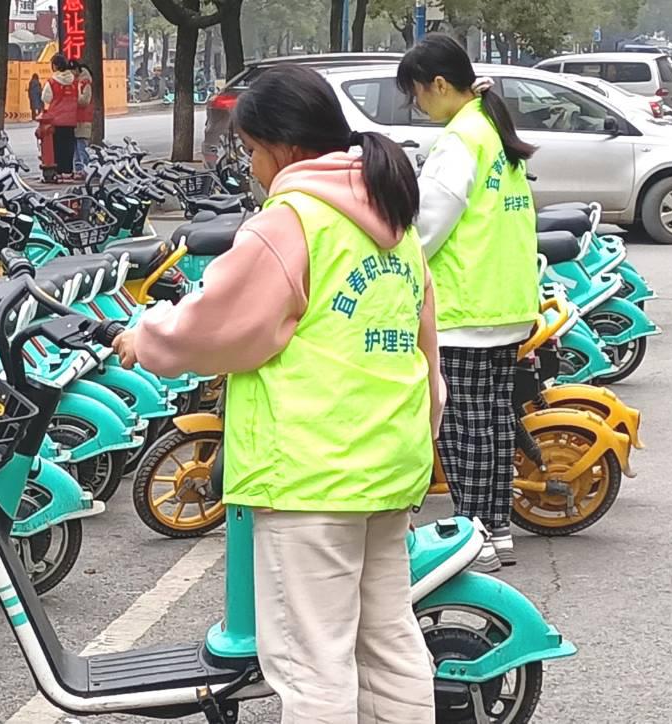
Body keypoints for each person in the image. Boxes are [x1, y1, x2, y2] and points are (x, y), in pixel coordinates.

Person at [112, 65, 440, 724]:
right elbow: (425, 348)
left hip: (311, 476)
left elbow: (219, 325)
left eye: (253, 152)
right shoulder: (390, 217)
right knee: (389, 642)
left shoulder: (292, 221)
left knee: (312, 664)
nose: (254, 169)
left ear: (285, 148)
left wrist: (142, 338)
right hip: (389, 463)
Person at [397, 34, 539, 572]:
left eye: (416, 92)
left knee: (463, 427)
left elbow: (427, 225)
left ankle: (473, 537)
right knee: (494, 422)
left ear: (438, 84)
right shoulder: (491, 129)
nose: (417, 104)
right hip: (504, 301)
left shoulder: (461, 140)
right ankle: (495, 531)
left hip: (465, 305)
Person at [41, 54, 77, 178]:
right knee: (69, 145)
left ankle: (59, 170)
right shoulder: (74, 81)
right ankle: (68, 170)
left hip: (56, 119)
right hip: (71, 119)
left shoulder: (52, 81)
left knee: (57, 146)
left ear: (55, 66)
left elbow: (45, 98)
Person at [72, 61, 93, 179]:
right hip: (74, 118)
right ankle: (78, 169)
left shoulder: (85, 83)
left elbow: (85, 101)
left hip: (83, 119)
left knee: (82, 145)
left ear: (76, 70)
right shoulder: (75, 82)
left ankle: (86, 169)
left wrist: (74, 98)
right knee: (75, 146)